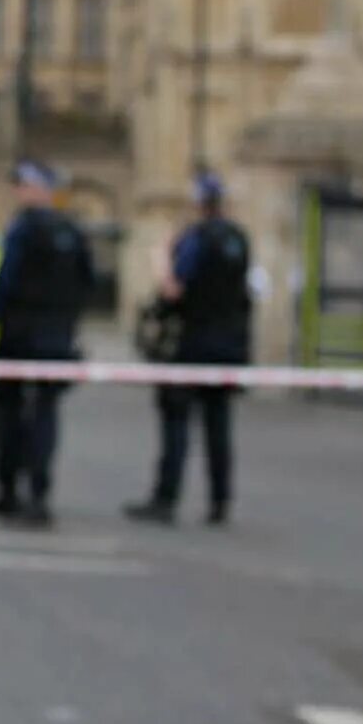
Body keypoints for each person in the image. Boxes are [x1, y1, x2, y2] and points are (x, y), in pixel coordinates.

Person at [126, 170, 252, 526]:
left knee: (177, 422)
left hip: (192, 341)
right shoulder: (238, 239)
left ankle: (166, 498)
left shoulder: (196, 239)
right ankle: (220, 500)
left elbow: (173, 290)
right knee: (219, 424)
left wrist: (162, 258)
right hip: (228, 344)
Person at [0, 160, 94, 525]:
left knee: (13, 413)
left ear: (39, 189)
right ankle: (39, 494)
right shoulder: (72, 230)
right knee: (45, 414)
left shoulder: (24, 229)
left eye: (23, 185)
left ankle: (8, 491)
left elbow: (6, 278)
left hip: (20, 333)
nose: (19, 192)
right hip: (57, 336)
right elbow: (87, 281)